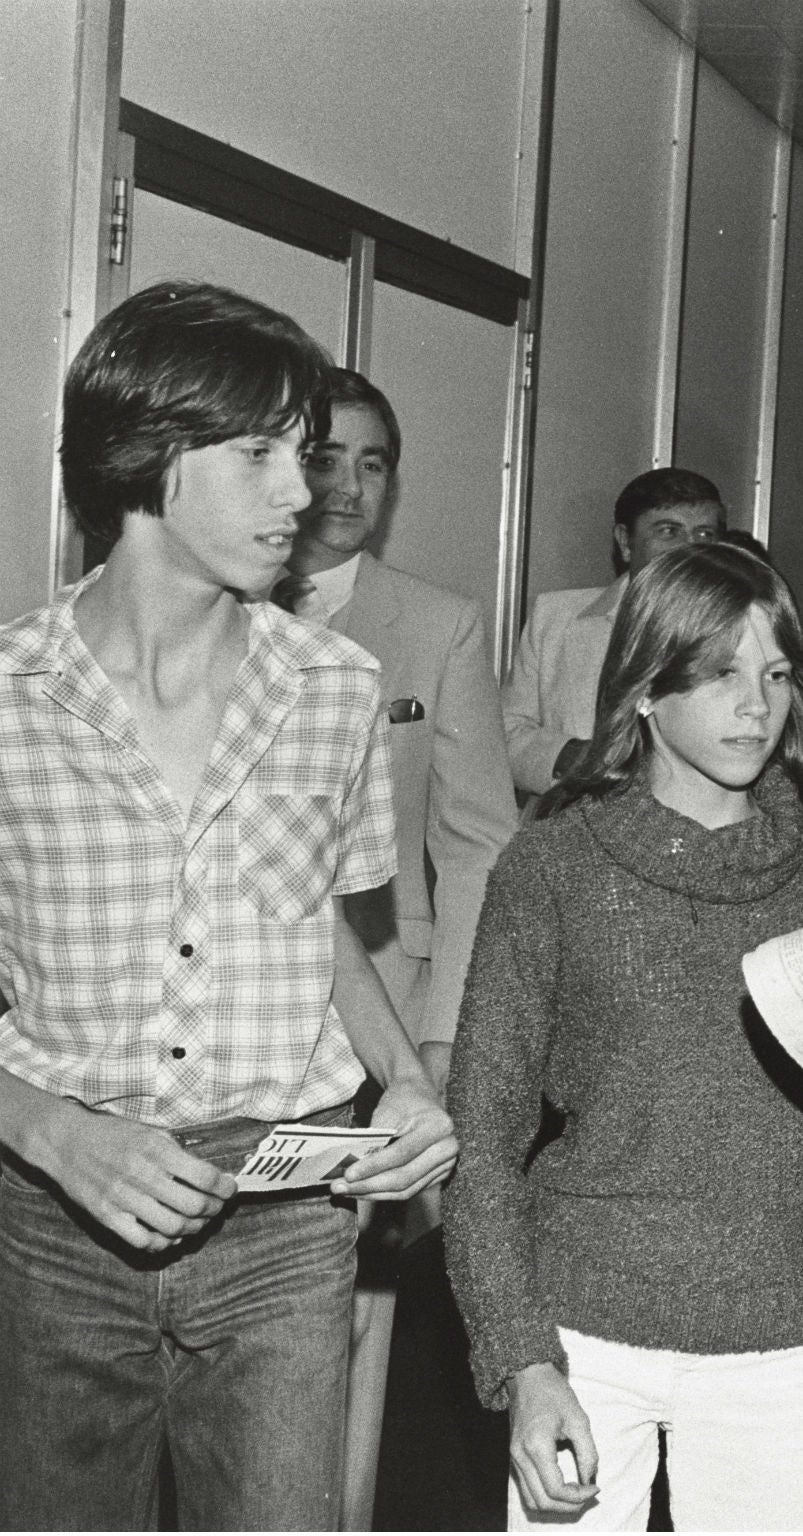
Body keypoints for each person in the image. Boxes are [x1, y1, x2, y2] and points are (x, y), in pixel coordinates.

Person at [0, 280, 458, 1529]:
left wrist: (403, 1079)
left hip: (281, 1222)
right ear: (146, 454)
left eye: (298, 456)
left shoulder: (333, 689)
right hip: (56, 1223)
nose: (303, 496)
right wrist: (49, 1133)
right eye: (259, 455)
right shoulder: (9, 701)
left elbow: (319, 926)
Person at [444, 541, 803, 1531]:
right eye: (719, 675)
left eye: (773, 675)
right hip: (583, 1337)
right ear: (643, 690)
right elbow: (484, 1138)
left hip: (773, 1346)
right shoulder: (551, 870)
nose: (755, 706)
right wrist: (523, 1364)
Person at [283, 367, 521, 1528]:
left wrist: (441, 1031)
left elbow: (479, 842)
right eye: (327, 455)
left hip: (386, 1011)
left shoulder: (435, 624)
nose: (348, 486)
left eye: (375, 464)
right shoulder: (222, 603)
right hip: (237, 1019)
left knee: (358, 1314)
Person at [501, 467, 726, 796]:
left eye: (705, 534)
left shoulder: (746, 626)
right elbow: (503, 732)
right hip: (573, 826)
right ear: (625, 541)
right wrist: (571, 757)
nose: (688, 548)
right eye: (668, 531)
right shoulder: (556, 617)